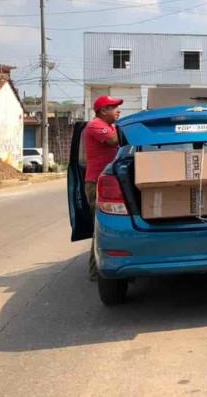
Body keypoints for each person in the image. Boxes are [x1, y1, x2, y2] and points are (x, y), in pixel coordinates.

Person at [83, 95, 123, 280]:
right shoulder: (95, 125)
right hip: (96, 184)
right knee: (100, 227)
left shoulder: (109, 126)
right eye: (114, 107)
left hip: (108, 183)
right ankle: (95, 272)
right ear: (102, 111)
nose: (118, 110)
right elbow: (115, 141)